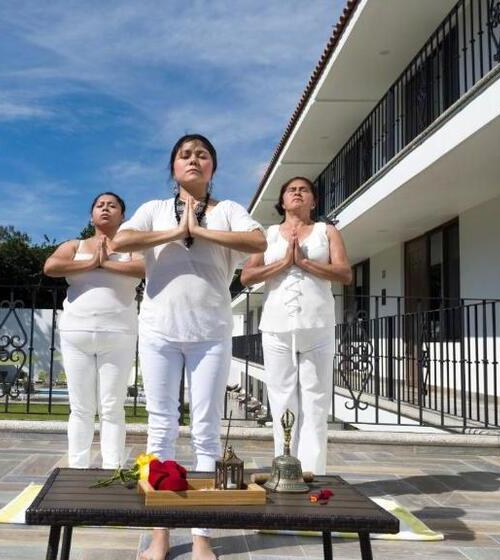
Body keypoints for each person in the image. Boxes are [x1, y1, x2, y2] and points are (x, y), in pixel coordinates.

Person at [112, 134, 266, 560]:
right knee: (160, 428)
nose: (193, 159)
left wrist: (200, 230)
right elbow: (122, 242)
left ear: (212, 167)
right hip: (160, 330)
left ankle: (202, 536)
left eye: (202, 154)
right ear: (174, 167)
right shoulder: (153, 210)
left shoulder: (229, 211)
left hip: (210, 332)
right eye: (185, 155)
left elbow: (258, 243)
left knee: (206, 430)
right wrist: (176, 231)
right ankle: (159, 533)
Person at [240, 176, 352, 475]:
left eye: (305, 190)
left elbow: (344, 273)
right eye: (292, 190)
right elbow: (246, 277)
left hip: (318, 326)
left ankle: (313, 472)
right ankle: (284, 470)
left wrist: (304, 263)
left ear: (314, 200)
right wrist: (283, 263)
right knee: (280, 398)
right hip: (276, 327)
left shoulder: (326, 231)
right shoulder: (270, 234)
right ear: (283, 200)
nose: (298, 193)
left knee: (316, 401)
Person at [43, 192, 144, 470]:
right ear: (92, 215)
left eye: (113, 206)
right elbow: (51, 266)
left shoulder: (132, 247)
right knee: (81, 407)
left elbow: (144, 268)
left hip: (119, 334)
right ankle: (78, 468)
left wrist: (106, 262)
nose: (106, 209)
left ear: (123, 215)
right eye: (100, 205)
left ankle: (113, 467)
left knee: (112, 407)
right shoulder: (75, 245)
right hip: (77, 333)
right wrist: (91, 262)